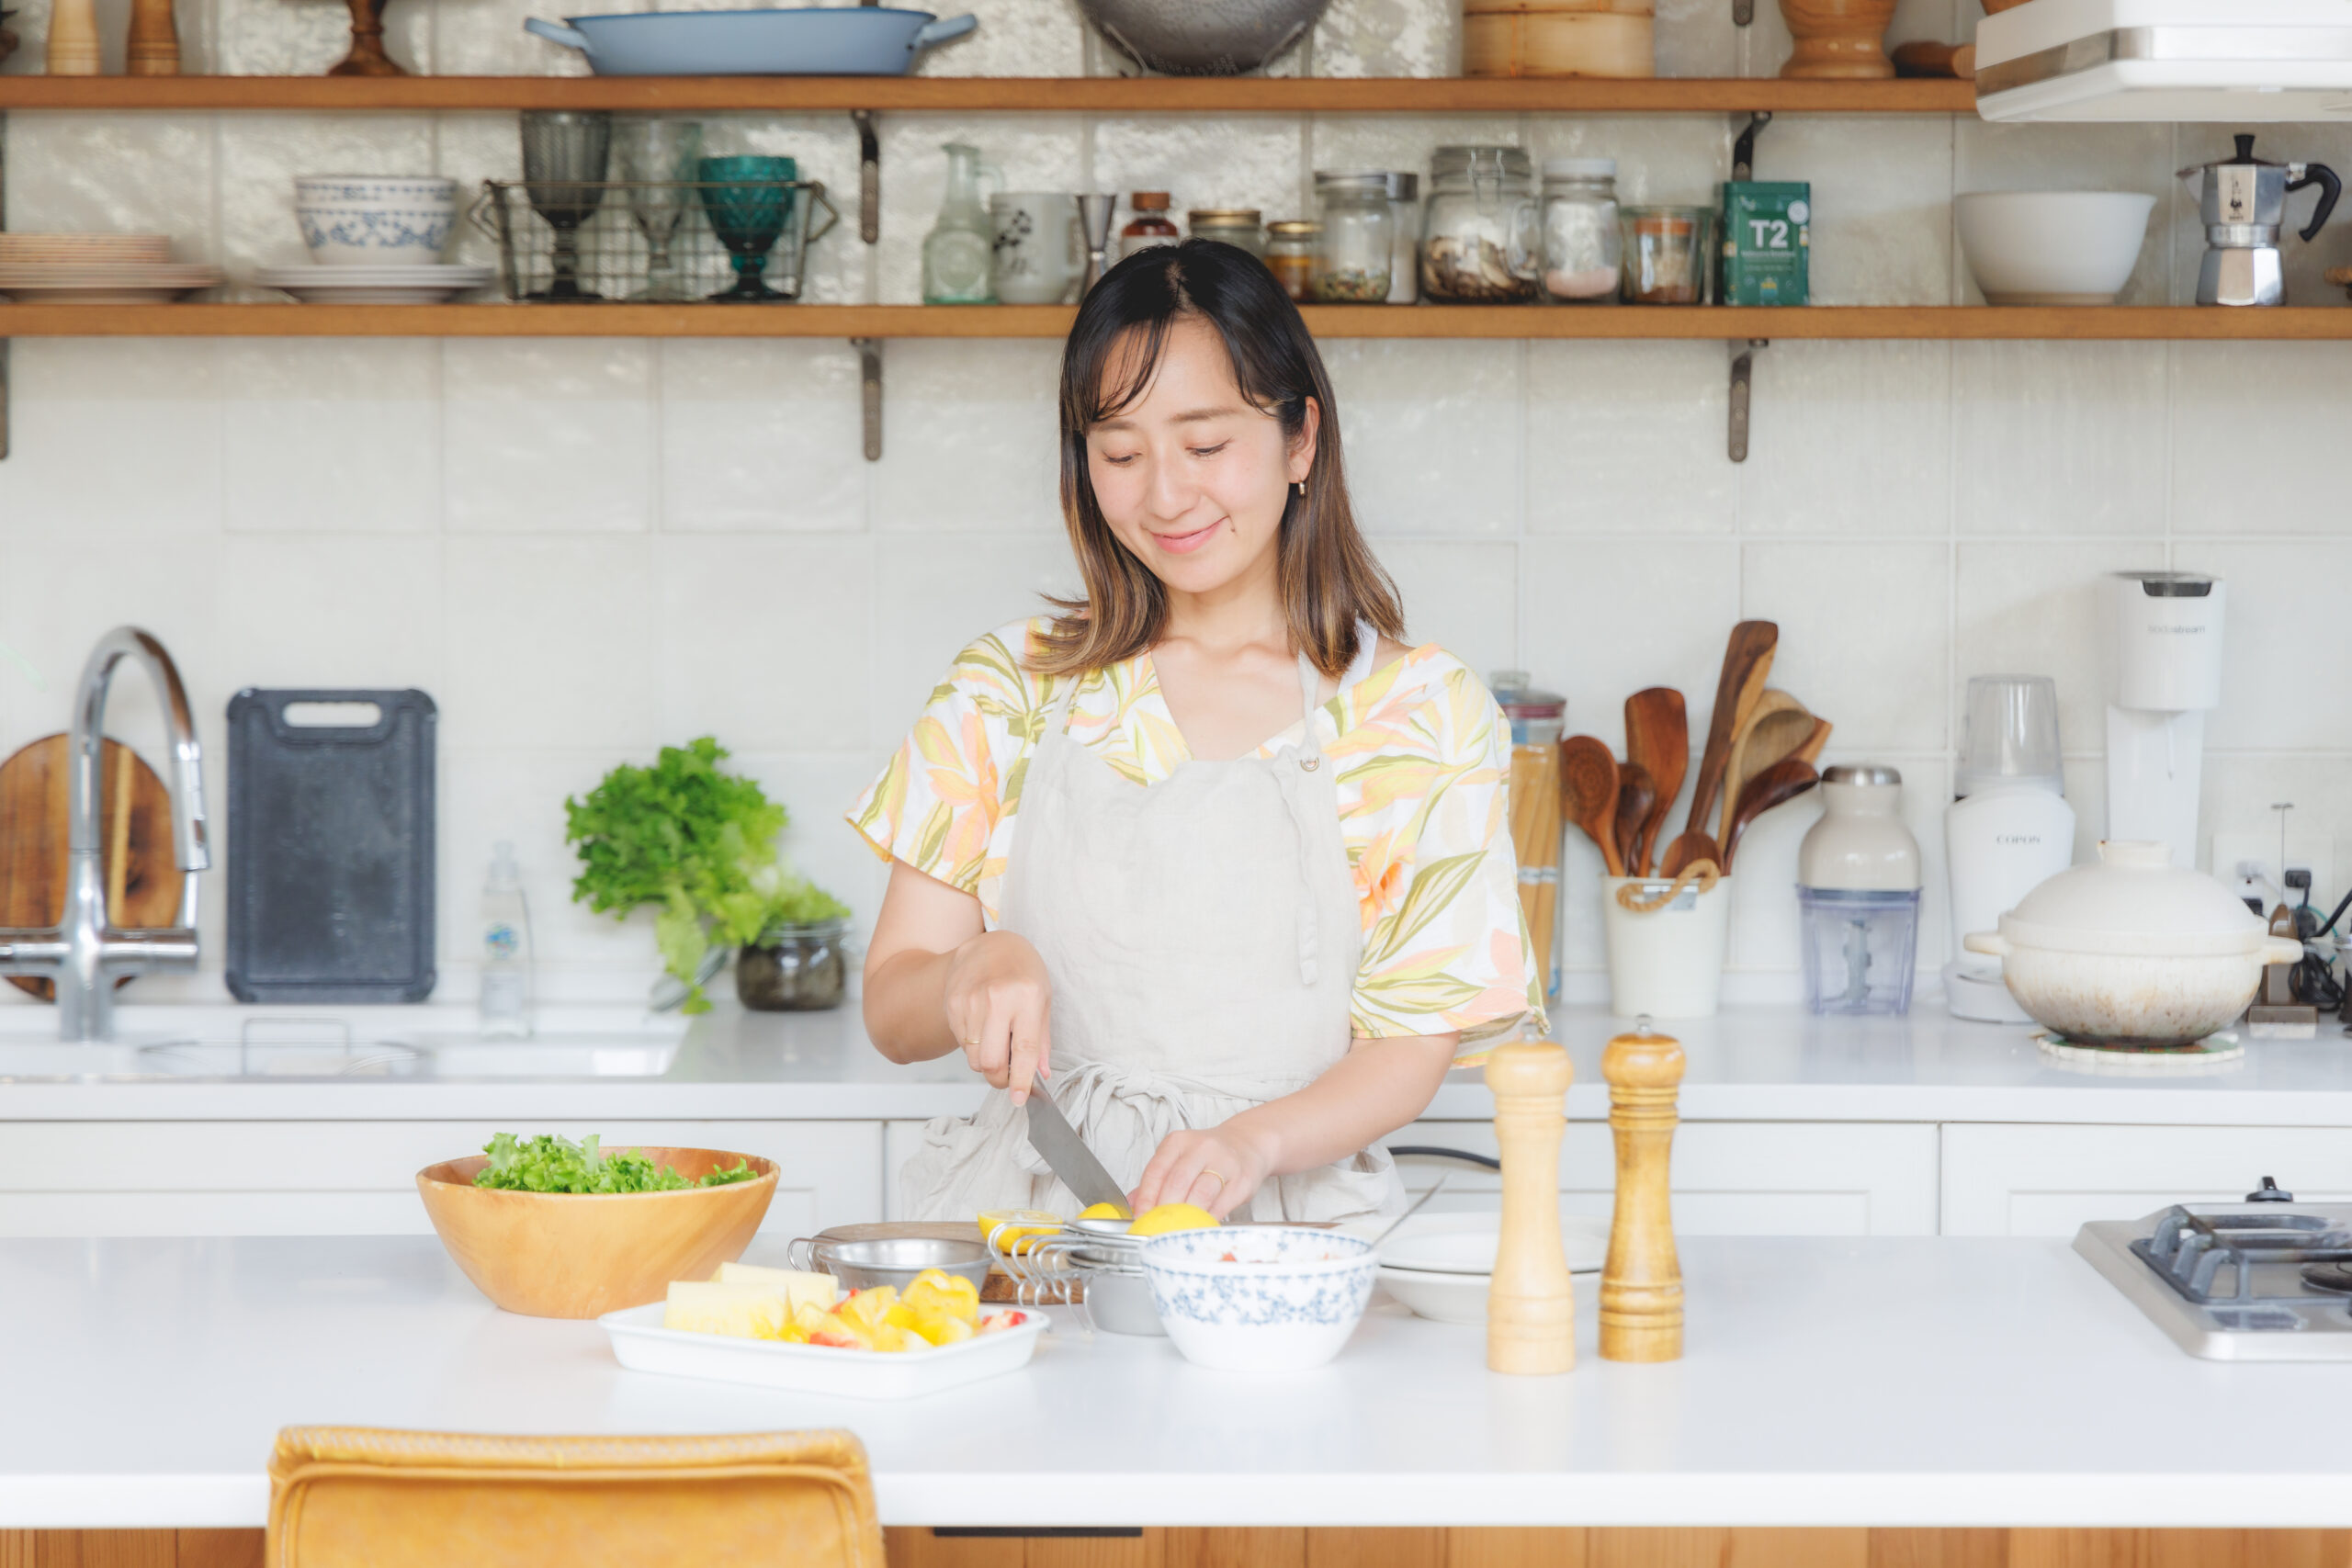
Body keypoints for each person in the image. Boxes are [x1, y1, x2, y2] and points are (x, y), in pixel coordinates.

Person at [848, 239, 1544, 1224]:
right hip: (1028, 1229)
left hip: (1287, 1239)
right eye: (1120, 454)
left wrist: (1251, 1143)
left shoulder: (1419, 715)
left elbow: (1412, 1042)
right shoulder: (1009, 690)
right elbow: (892, 1007)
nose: (1164, 495)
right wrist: (967, 967)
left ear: (1300, 439)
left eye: (1206, 445)